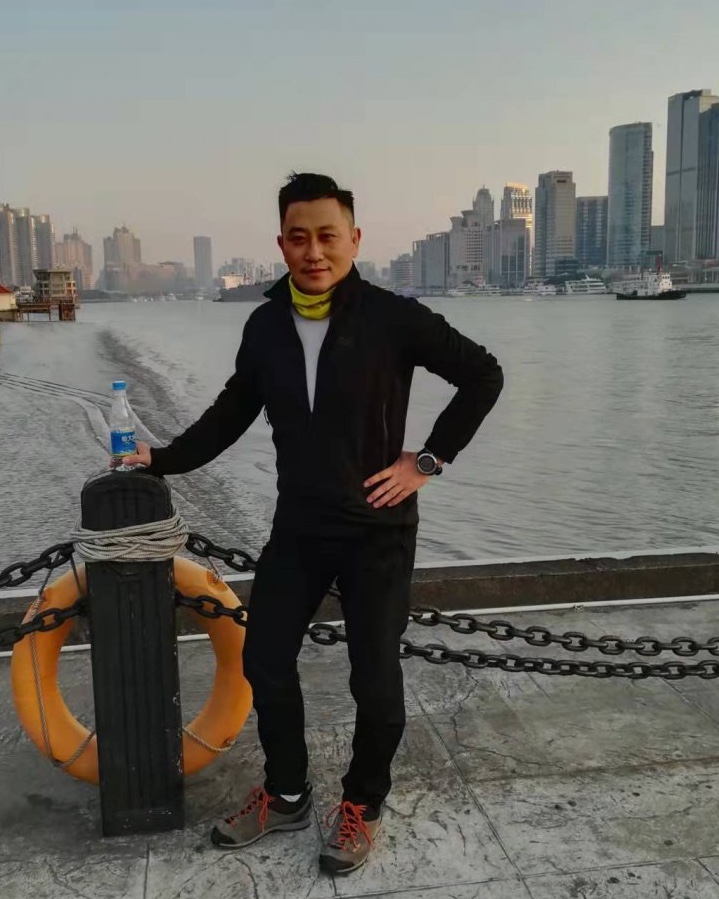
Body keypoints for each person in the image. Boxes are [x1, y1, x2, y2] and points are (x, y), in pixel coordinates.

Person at [120, 172, 503, 875]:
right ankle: (288, 793)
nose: (314, 251)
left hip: (379, 528)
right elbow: (233, 410)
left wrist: (427, 460)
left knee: (374, 679)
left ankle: (363, 802)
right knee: (265, 659)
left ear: (354, 239)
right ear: (281, 244)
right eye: (299, 237)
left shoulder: (392, 317)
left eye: (328, 236)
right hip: (298, 525)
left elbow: (483, 374)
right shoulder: (265, 325)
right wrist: (163, 459)